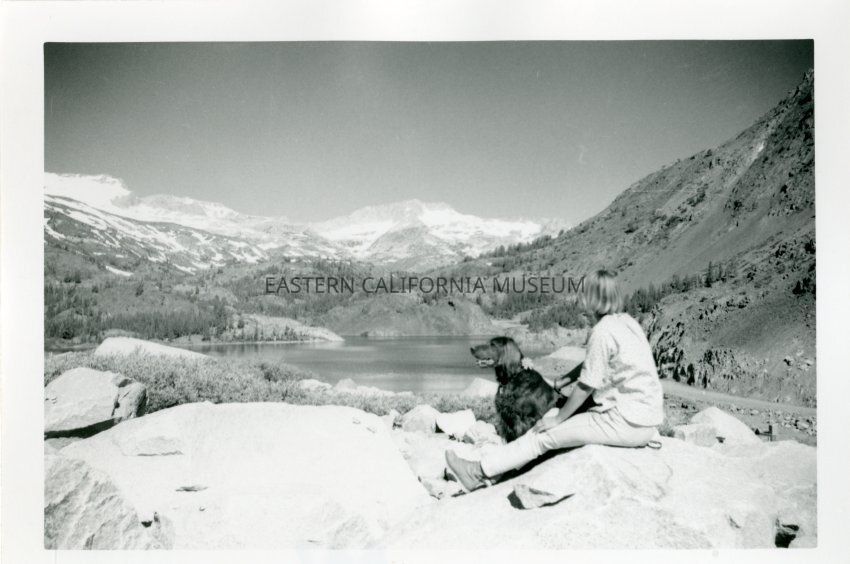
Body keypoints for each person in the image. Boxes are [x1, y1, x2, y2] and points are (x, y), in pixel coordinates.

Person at [445, 269, 664, 492]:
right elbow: (593, 362)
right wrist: (561, 382)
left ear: (592, 297)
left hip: (622, 422)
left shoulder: (602, 331)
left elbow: (586, 386)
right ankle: (498, 473)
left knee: (542, 433)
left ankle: (477, 472)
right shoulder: (628, 323)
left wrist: (558, 419)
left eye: (584, 292)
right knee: (553, 419)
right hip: (648, 422)